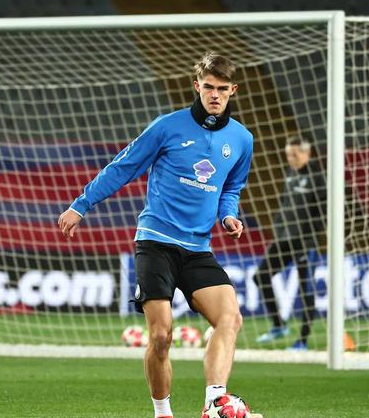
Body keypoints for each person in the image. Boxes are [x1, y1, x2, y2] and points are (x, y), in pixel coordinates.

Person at [58, 52, 259, 418]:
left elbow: (231, 188)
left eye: (222, 89)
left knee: (230, 318)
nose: (215, 95)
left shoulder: (242, 139)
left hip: (198, 248)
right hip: (156, 242)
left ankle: (215, 402)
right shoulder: (167, 126)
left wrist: (228, 216)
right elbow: (124, 166)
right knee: (162, 335)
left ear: (233, 90)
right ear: (197, 86)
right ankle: (162, 411)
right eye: (208, 87)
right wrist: (81, 204)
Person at [254, 136, 326, 351]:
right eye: (288, 155)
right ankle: (278, 325)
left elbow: (323, 212)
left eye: (294, 155)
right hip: (284, 238)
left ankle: (302, 341)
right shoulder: (291, 174)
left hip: (305, 241)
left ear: (307, 153)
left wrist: (313, 237)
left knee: (305, 289)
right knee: (260, 276)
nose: (290, 159)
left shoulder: (319, 178)